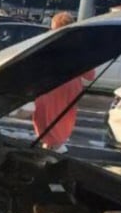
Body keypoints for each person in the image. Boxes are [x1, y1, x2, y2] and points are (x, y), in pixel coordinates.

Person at [33, 12, 95, 152]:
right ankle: (55, 147)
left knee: (46, 120)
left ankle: (51, 150)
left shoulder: (50, 44)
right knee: (61, 120)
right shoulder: (79, 47)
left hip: (51, 87)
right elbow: (90, 75)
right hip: (71, 89)